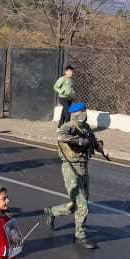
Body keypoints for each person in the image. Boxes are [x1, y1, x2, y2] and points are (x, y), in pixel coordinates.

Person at [44, 101, 96, 249]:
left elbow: (91, 140)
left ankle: (52, 212)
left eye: (85, 110)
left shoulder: (85, 127)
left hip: (83, 167)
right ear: (75, 113)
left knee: (79, 203)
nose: (85, 113)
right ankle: (80, 236)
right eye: (82, 111)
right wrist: (80, 141)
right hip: (70, 167)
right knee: (82, 206)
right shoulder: (69, 126)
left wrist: (96, 144)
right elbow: (61, 136)